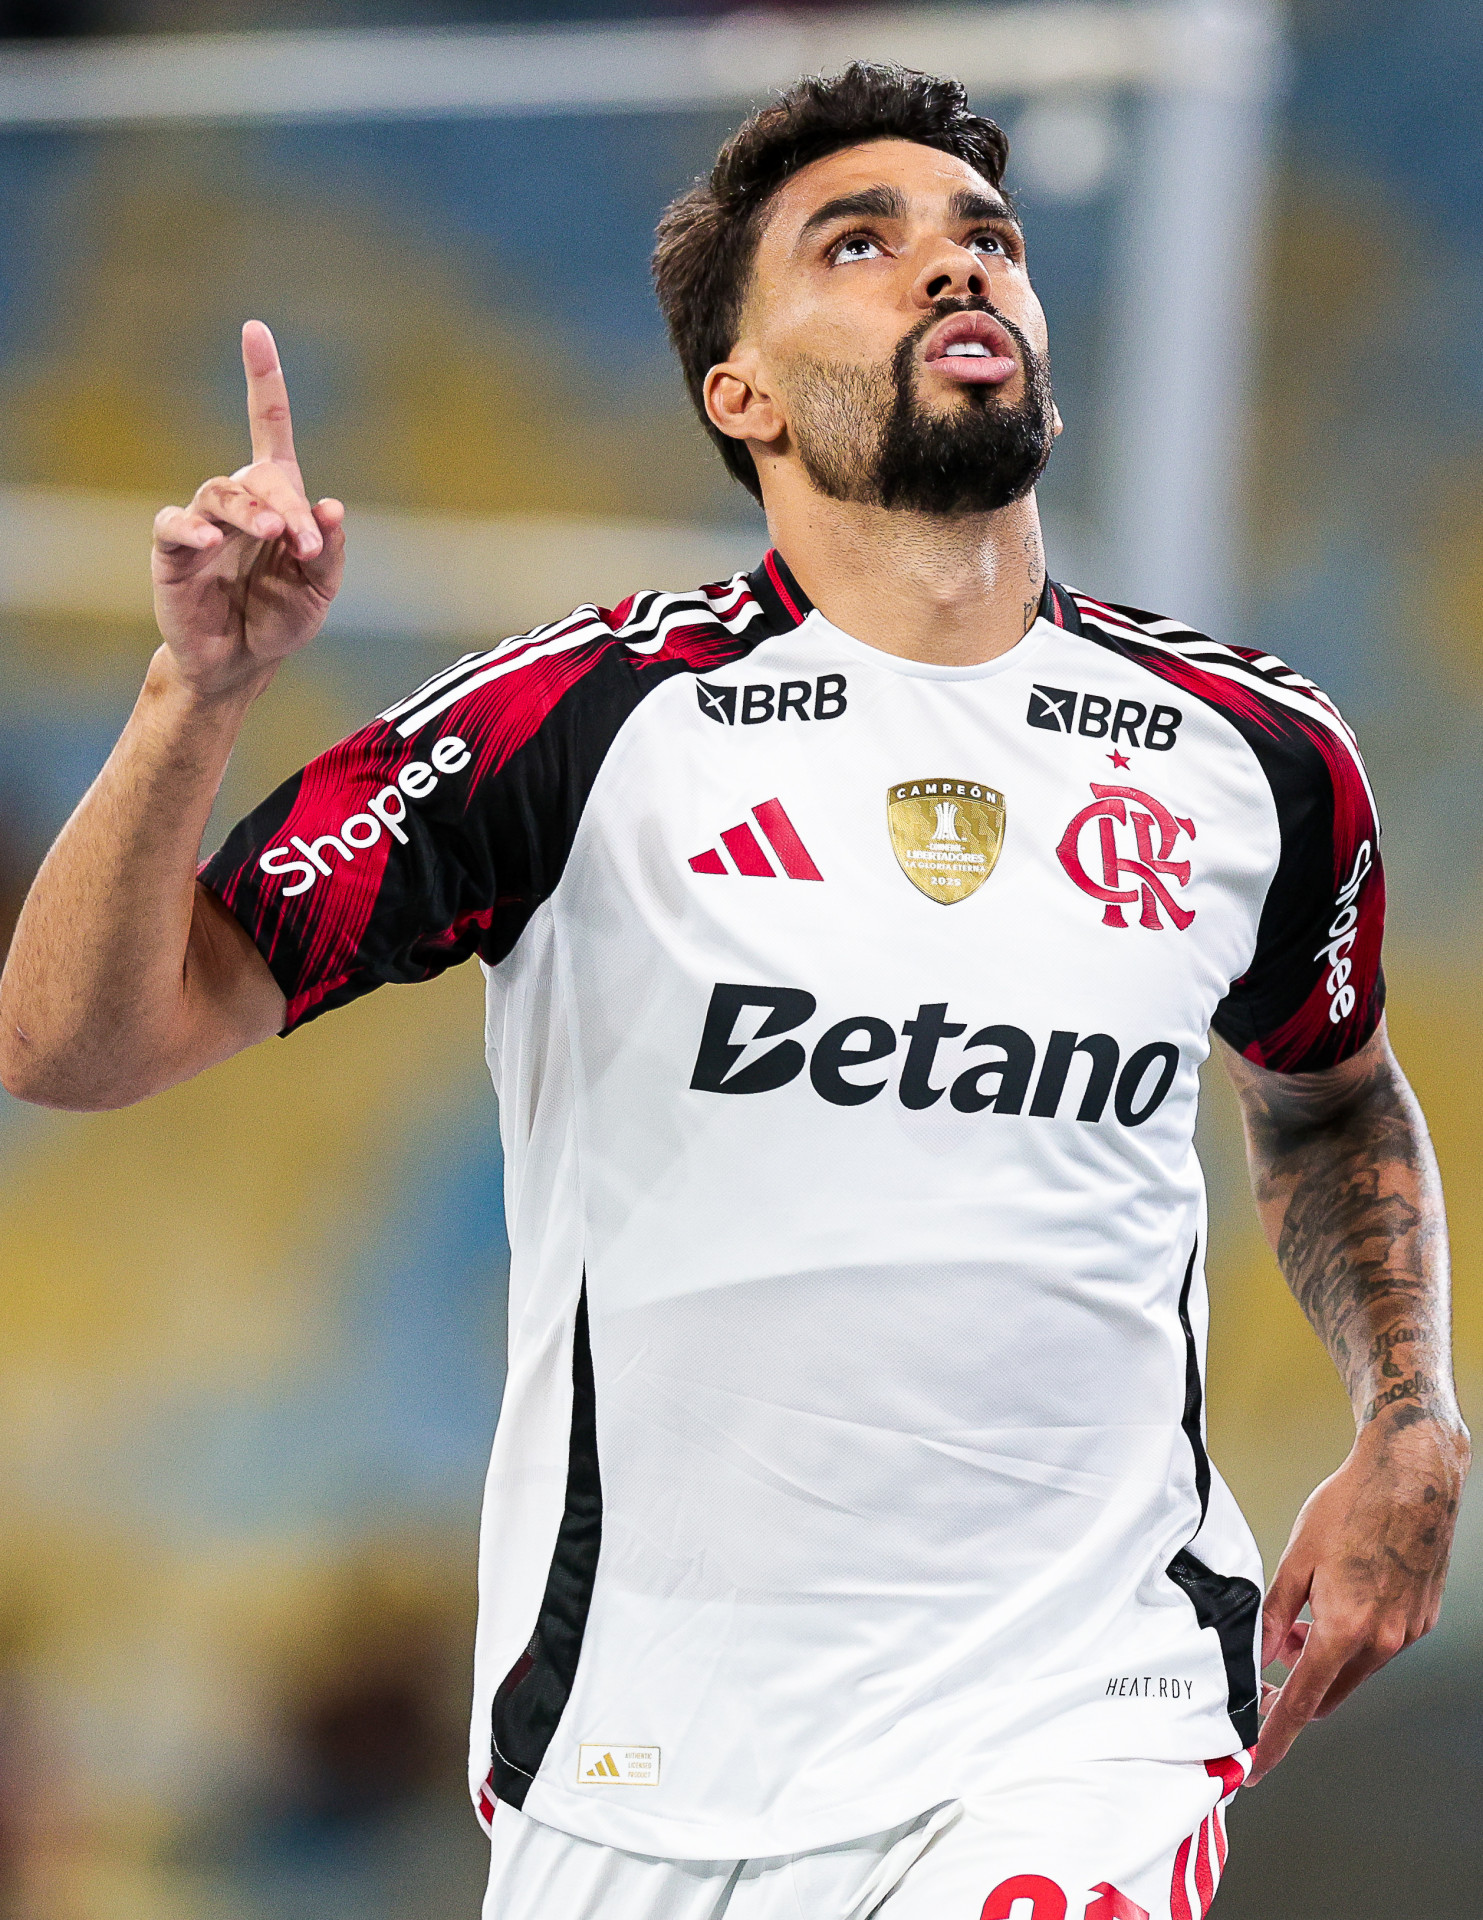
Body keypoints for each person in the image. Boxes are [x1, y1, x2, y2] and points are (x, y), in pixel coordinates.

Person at [0, 61, 1468, 1920]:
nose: (954, 270)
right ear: (741, 395)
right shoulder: (578, 721)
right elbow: (68, 1043)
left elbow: (1329, 1090)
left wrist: (1409, 1411)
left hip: (1079, 1718)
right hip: (643, 1771)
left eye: (986, 240)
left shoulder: (1256, 751)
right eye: (862, 244)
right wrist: (190, 696)